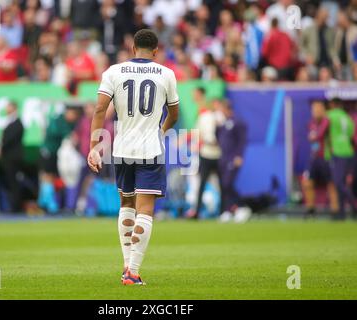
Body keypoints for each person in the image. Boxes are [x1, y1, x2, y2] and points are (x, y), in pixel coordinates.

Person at [87, 29, 179, 285]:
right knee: (145, 211)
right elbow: (174, 113)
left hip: (122, 149)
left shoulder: (114, 72)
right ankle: (134, 272)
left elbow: (99, 109)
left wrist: (94, 146)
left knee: (126, 205)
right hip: (150, 149)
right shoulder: (166, 74)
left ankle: (126, 265)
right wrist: (160, 131)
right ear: (156, 50)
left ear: (132, 48)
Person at [187, 91, 224, 219]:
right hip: (206, 153)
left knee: (221, 184)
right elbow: (198, 133)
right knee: (201, 183)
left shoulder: (220, 117)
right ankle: (197, 210)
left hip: (219, 154)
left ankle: (223, 210)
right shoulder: (206, 117)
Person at [38, 105, 79, 214]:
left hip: (55, 153)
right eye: (73, 114)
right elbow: (60, 133)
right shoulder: (58, 121)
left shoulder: (67, 123)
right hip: (49, 152)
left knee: (53, 177)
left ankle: (49, 202)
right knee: (48, 176)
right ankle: (47, 203)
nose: (74, 117)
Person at [302, 100, 338, 218]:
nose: (316, 111)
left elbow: (319, 135)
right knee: (307, 183)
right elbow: (311, 137)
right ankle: (311, 209)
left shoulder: (327, 121)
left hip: (326, 157)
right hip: (314, 157)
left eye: (318, 108)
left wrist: (314, 136)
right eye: (314, 109)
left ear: (323, 109)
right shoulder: (311, 123)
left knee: (331, 184)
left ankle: (335, 210)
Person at [216, 99, 247, 221]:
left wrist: (239, 155)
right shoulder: (223, 124)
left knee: (227, 184)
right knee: (224, 185)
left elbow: (242, 141)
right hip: (223, 158)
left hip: (232, 158)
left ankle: (241, 207)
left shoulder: (237, 122)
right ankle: (228, 209)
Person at [326, 98, 356, 220]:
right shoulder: (348, 118)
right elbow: (351, 134)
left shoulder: (330, 115)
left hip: (337, 152)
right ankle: (341, 213)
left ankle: (354, 204)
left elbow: (323, 130)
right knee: (341, 183)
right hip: (348, 151)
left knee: (338, 182)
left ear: (332, 105)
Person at [0, 100, 25, 213]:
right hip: (7, 157)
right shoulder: (8, 122)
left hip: (13, 157)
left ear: (14, 108)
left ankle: (16, 207)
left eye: (8, 107)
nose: (6, 109)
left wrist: (1, 146)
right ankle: (13, 205)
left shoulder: (18, 123)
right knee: (10, 182)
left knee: (13, 182)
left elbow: (10, 139)